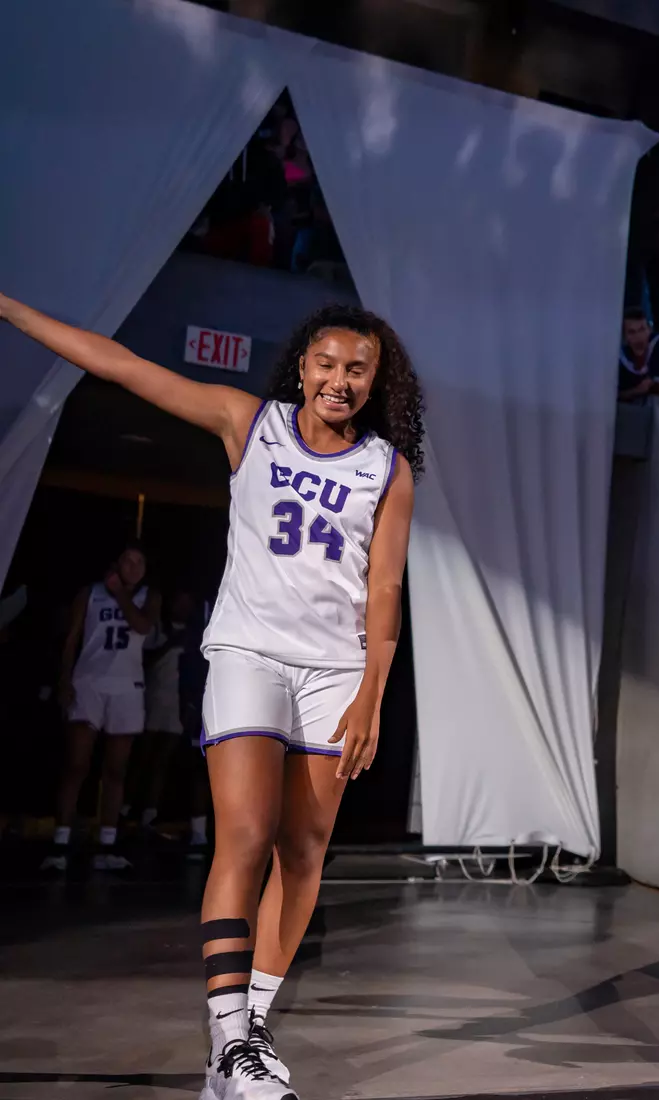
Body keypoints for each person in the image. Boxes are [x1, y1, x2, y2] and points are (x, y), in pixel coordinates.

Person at [0, 294, 423, 1099]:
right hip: (249, 652)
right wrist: (12, 310)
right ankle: (229, 1041)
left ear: (375, 381)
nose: (339, 381)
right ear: (302, 365)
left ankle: (248, 1037)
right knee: (247, 833)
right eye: (327, 365)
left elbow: (385, 588)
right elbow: (122, 365)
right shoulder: (248, 422)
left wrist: (372, 693)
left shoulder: (387, 471)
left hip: (335, 672)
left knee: (302, 855)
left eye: (356, 371)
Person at [41, 543, 157, 872]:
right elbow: (72, 638)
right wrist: (64, 679)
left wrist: (121, 594)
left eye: (140, 561)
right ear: (116, 562)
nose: (134, 566)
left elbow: (143, 626)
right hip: (89, 682)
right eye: (128, 560)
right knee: (76, 765)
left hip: (127, 688)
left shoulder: (149, 596)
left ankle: (107, 843)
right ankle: (60, 842)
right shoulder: (90, 594)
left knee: (116, 770)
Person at [132, 589, 201, 834]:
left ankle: (150, 814)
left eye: (187, 602)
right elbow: (144, 659)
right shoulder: (157, 628)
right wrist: (172, 642)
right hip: (152, 697)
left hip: (177, 703)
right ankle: (130, 809)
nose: (182, 607)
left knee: (162, 760)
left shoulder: (196, 636)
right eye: (179, 601)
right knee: (142, 758)